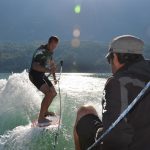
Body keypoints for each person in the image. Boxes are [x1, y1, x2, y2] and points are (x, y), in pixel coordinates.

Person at [74, 35, 150, 150]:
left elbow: (114, 139)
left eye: (109, 59)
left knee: (84, 111)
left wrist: (99, 134)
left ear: (114, 57)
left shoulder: (118, 83)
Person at [29, 36, 59, 126]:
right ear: (49, 43)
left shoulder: (50, 52)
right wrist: (49, 70)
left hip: (41, 74)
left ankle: (45, 112)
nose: (54, 47)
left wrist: (54, 78)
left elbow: (52, 64)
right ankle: (41, 118)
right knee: (49, 93)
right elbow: (34, 66)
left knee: (54, 93)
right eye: (53, 45)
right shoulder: (41, 52)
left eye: (56, 46)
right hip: (34, 74)